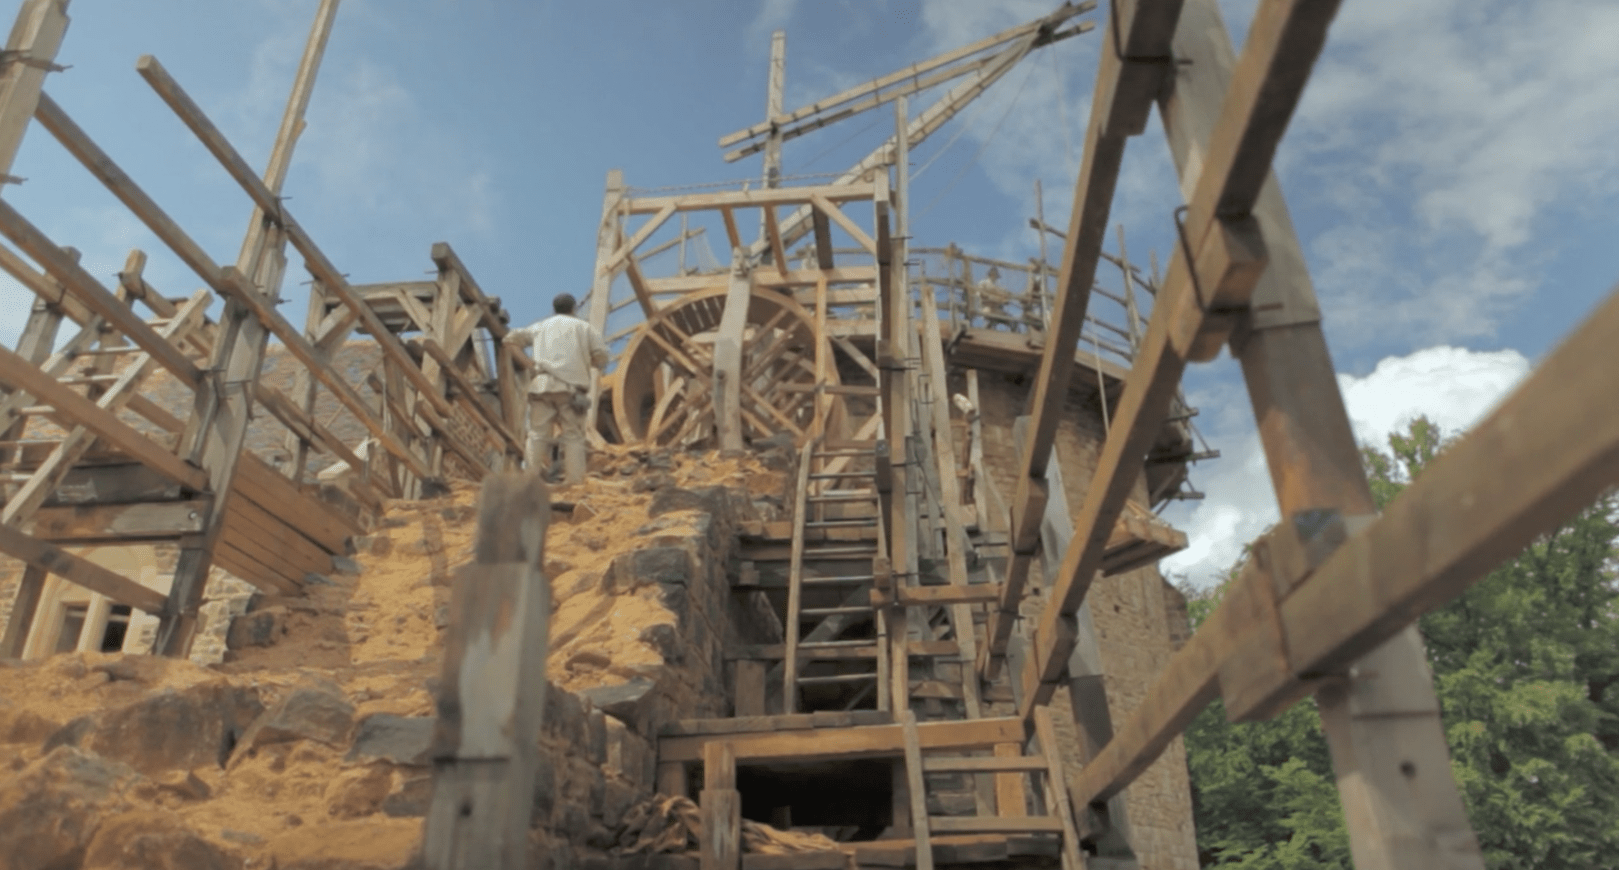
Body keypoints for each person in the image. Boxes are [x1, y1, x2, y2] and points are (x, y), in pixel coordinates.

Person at [503, 293, 609, 484]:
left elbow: (509, 341)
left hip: (541, 386)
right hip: (571, 390)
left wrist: (529, 364)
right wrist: (584, 360)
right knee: (573, 436)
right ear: (574, 309)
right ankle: (574, 481)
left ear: (554, 309)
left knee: (536, 435)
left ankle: (529, 480)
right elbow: (601, 357)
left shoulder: (541, 326)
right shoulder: (584, 328)